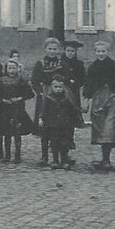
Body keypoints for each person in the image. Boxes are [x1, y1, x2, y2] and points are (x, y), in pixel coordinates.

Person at [83, 39, 115, 172]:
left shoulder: (114, 65)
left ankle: (107, 159)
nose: (101, 54)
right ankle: (104, 159)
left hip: (112, 99)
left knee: (109, 128)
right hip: (98, 99)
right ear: (95, 52)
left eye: (103, 51)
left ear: (108, 52)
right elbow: (89, 84)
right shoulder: (92, 67)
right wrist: (86, 99)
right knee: (100, 128)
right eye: (98, 51)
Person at [31, 36, 64, 166]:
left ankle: (61, 155)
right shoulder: (40, 63)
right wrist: (39, 91)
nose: (52, 51)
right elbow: (34, 80)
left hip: (59, 96)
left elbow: (66, 78)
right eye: (49, 48)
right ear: (45, 49)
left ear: (58, 50)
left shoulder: (62, 63)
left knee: (59, 127)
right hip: (45, 96)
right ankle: (44, 156)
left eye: (54, 49)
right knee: (44, 127)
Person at [0, 57, 34, 163]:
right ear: (6, 69)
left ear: (17, 69)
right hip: (5, 110)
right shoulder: (1, 80)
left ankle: (17, 155)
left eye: (14, 68)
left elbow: (29, 94)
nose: (11, 71)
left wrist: (19, 98)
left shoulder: (21, 80)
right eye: (9, 68)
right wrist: (3, 100)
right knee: (6, 133)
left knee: (17, 132)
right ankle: (7, 155)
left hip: (18, 110)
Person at [40, 74, 79, 169]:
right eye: (55, 87)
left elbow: (72, 110)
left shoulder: (67, 98)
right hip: (52, 124)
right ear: (51, 87)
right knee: (54, 143)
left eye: (60, 87)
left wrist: (73, 120)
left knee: (64, 143)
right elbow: (44, 110)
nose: (58, 89)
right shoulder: (48, 98)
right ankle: (55, 160)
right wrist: (41, 119)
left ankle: (64, 160)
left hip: (65, 124)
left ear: (64, 87)